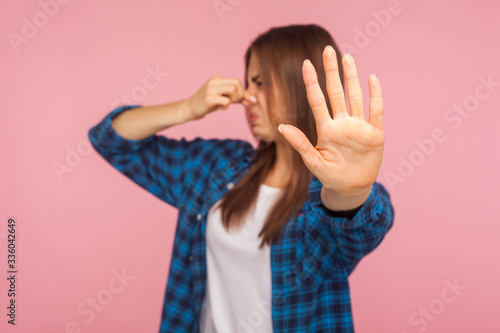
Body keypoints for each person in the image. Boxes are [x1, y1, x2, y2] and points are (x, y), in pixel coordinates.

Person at [88, 24, 394, 333]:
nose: (247, 97)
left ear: (299, 84)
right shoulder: (219, 167)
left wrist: (352, 191)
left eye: (260, 82)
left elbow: (364, 223)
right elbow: (111, 140)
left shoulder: (325, 197)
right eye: (248, 83)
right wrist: (188, 108)